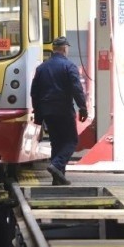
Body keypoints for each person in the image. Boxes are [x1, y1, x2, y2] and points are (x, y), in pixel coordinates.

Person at [30, 36, 88, 185]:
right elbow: (77, 89)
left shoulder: (42, 68)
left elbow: (34, 92)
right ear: (64, 49)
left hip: (47, 112)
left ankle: (58, 179)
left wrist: (38, 115)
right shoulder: (69, 66)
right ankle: (56, 165)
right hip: (63, 111)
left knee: (56, 143)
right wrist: (82, 107)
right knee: (71, 141)